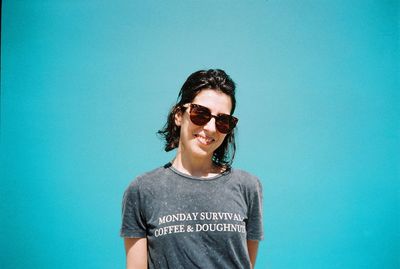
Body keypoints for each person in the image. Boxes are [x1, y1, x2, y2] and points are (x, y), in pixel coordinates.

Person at [120, 69, 263, 269]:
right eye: (201, 114)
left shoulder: (248, 186)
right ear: (179, 115)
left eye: (222, 120)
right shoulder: (142, 190)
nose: (211, 128)